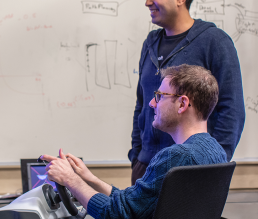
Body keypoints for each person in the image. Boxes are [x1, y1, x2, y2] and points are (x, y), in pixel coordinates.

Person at [42, 64, 227, 218]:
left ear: (182, 104)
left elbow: (116, 214)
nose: (152, 103)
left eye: (160, 96)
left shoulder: (177, 157)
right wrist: (89, 179)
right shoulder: (215, 151)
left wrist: (71, 180)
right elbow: (135, 204)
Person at [129, 0, 245, 184]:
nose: (148, 2)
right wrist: (136, 156)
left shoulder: (214, 41)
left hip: (189, 171)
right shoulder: (150, 43)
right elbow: (142, 104)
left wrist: (211, 166)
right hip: (145, 168)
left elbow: (232, 109)